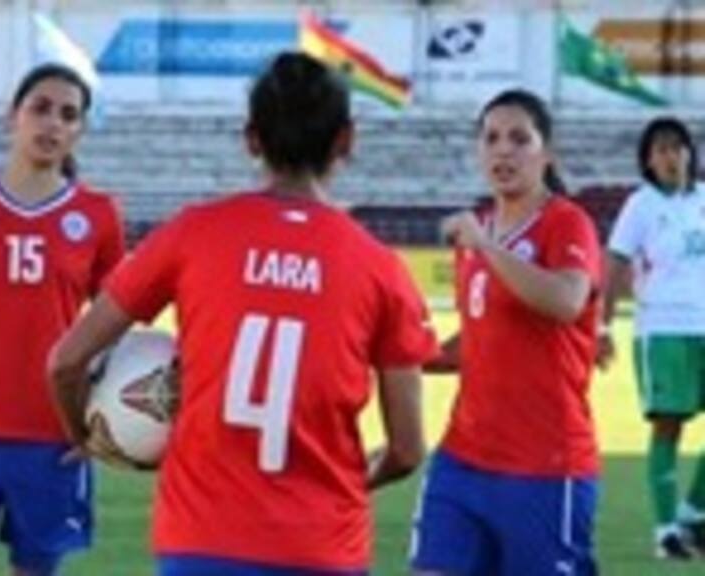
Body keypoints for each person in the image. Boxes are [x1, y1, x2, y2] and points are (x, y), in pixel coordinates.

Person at [48, 51, 436, 576]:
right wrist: (352, 480)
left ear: (251, 138)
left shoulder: (193, 234)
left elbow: (65, 363)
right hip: (323, 545)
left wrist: (85, 435)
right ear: (347, 140)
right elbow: (409, 449)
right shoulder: (381, 269)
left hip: (202, 539)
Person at [0, 63, 124, 576]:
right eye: (40, 108)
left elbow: (117, 322)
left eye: (69, 115)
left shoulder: (98, 214)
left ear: (80, 130)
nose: (53, 124)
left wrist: (106, 411)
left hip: (52, 436)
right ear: (11, 117)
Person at [410, 89, 602, 575]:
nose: (503, 150)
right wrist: (412, 354)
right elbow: (477, 339)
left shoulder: (567, 223)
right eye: (491, 138)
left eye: (520, 139)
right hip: (463, 457)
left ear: (547, 152)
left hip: (544, 465)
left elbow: (565, 300)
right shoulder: (478, 235)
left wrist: (487, 248)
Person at [601, 116, 705, 560]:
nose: (669, 156)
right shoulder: (640, 205)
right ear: (648, 160)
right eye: (659, 149)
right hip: (663, 328)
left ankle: (692, 513)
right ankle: (666, 530)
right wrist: (602, 326)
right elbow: (615, 265)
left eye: (676, 147)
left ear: (689, 154)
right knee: (669, 423)